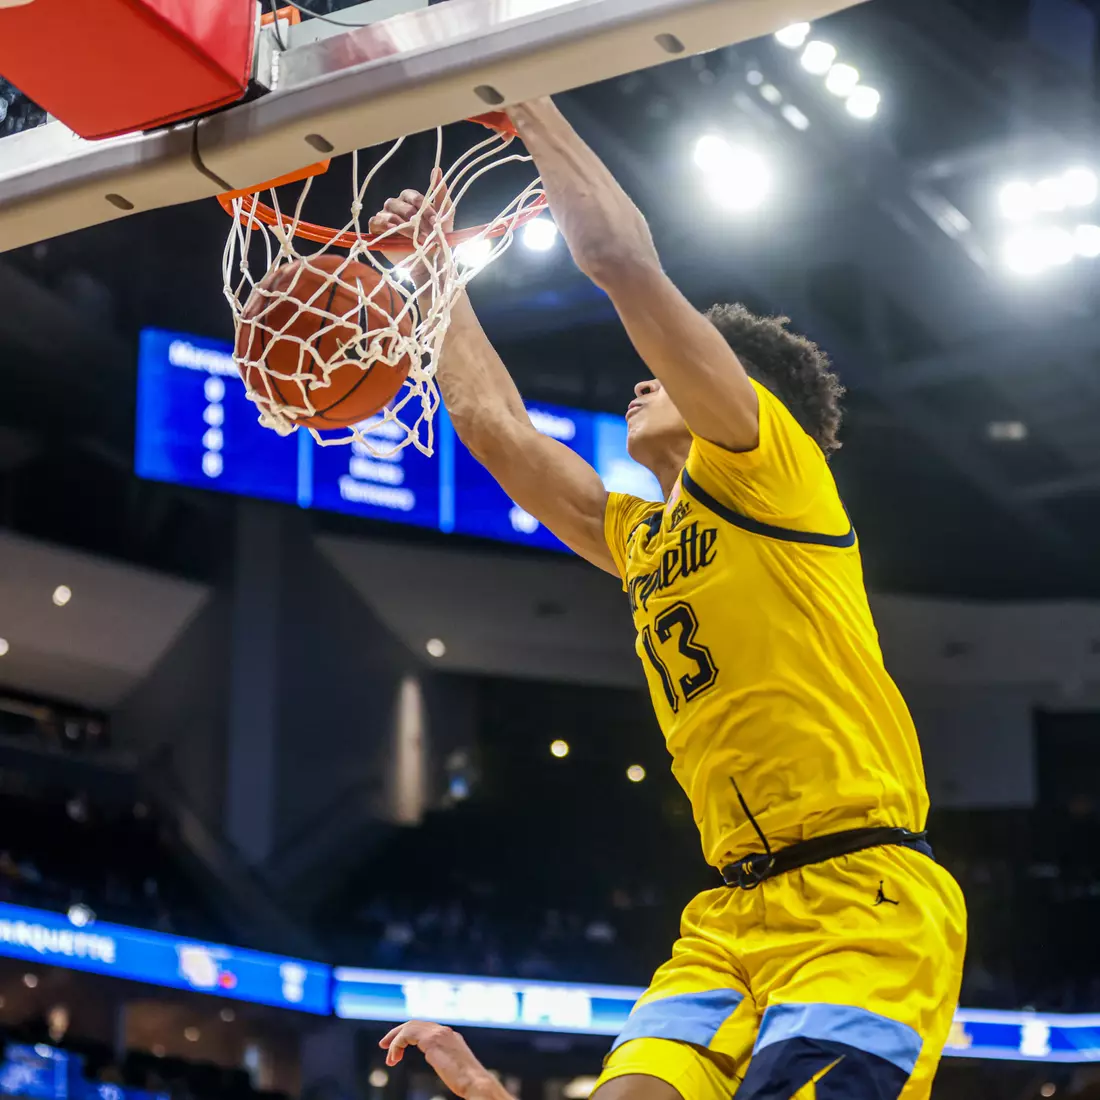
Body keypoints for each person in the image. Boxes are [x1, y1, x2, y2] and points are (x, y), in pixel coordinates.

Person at [370, 98, 966, 1100]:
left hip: (862, 894)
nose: (637, 385)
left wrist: (531, 105)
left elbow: (617, 261)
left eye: (663, 372)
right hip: (728, 911)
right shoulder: (640, 538)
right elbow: (495, 428)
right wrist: (431, 268)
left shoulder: (768, 470)